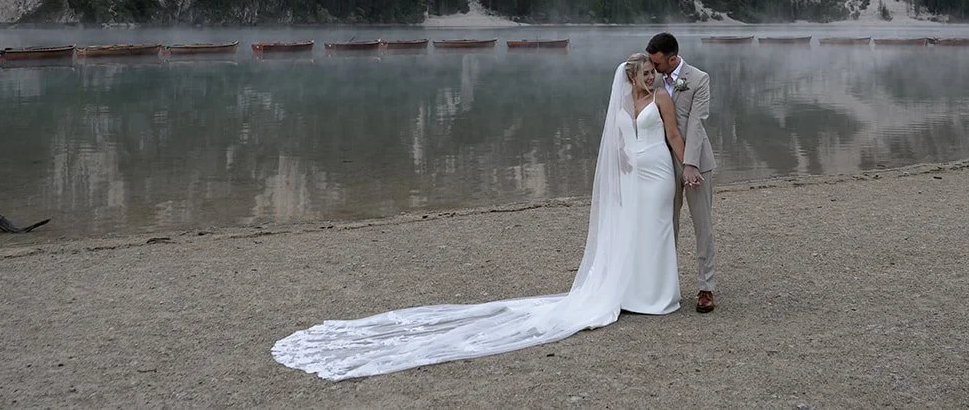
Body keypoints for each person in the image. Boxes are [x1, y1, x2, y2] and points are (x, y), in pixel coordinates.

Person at [271, 56, 686, 380]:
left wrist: (689, 167)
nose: (651, 77)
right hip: (632, 177)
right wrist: (622, 159)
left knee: (656, 230)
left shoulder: (661, 99)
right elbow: (615, 140)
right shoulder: (622, 102)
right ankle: (632, 294)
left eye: (653, 72)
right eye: (646, 73)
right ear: (631, 77)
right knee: (633, 232)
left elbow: (671, 135)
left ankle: (656, 295)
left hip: (657, 172)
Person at [645, 31, 717, 313]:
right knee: (666, 225)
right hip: (662, 163)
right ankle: (665, 285)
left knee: (702, 226)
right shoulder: (651, 79)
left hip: (696, 162)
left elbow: (697, 124)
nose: (653, 68)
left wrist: (690, 163)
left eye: (657, 63)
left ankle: (706, 287)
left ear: (673, 59)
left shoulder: (699, 79)